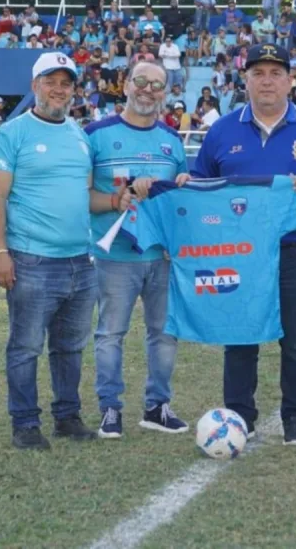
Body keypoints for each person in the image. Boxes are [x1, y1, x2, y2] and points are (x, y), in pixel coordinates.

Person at [192, 43, 296, 445]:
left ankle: (295, 419)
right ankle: (239, 416)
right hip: (240, 254)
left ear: (290, 81)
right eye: (258, 73)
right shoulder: (222, 130)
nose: (267, 81)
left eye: (276, 73)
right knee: (240, 337)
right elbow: (200, 187)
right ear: (244, 80)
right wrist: (185, 186)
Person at [0, 52, 100, 451]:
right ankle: (25, 423)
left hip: (80, 261)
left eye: (66, 83)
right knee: (26, 346)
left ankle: (67, 417)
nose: (59, 90)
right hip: (32, 260)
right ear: (35, 85)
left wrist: (117, 201)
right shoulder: (12, 134)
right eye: (51, 81)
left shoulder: (80, 135)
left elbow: (86, 195)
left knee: (70, 346)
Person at [86, 60, 191, 439]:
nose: (148, 90)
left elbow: (180, 204)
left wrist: (185, 184)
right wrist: (119, 199)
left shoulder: (172, 141)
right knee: (110, 333)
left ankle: (157, 407)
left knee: (164, 334)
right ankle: (110, 409)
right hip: (115, 256)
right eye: (141, 81)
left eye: (157, 85)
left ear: (166, 92)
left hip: (161, 256)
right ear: (126, 84)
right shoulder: (95, 135)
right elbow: (83, 197)